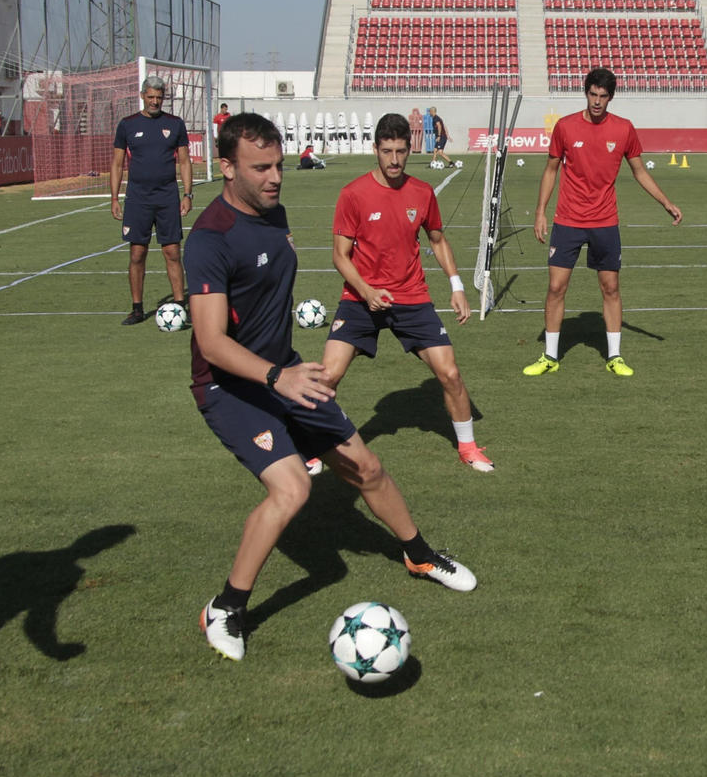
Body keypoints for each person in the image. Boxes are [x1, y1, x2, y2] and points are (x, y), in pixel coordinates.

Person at [188, 113, 476, 663]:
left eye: (278, 164)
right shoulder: (209, 239)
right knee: (294, 488)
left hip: (287, 375)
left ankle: (420, 556)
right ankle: (224, 607)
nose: (275, 177)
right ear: (226, 168)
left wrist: (288, 370)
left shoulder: (275, 215)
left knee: (366, 467)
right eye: (260, 168)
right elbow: (209, 341)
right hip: (232, 388)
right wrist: (278, 376)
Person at [324, 114, 491, 473]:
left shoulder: (422, 192)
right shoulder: (352, 194)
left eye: (401, 151)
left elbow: (437, 239)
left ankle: (468, 447)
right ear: (375, 150)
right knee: (327, 378)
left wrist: (457, 286)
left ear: (410, 149)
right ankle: (314, 447)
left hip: (411, 296)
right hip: (360, 297)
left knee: (449, 374)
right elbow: (340, 256)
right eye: (387, 152)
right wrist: (367, 290)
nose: (394, 160)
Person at [525, 67, 681, 377]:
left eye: (603, 96)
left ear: (610, 97)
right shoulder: (566, 127)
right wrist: (540, 211)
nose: (597, 102)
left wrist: (666, 202)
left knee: (610, 287)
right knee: (556, 287)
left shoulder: (623, 129)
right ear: (586, 93)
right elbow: (551, 170)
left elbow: (639, 171)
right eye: (593, 95)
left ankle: (615, 356)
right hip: (567, 220)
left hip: (605, 221)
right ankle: (550, 357)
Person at [110, 76, 194, 325]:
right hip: (137, 198)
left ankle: (180, 306)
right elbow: (116, 164)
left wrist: (188, 194)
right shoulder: (127, 125)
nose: (155, 101)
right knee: (137, 253)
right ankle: (137, 309)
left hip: (167, 197)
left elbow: (185, 161)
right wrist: (114, 197)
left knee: (172, 253)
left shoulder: (175, 124)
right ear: (142, 95)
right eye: (151, 97)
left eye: (159, 97)